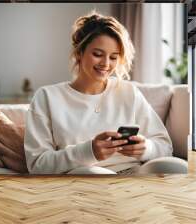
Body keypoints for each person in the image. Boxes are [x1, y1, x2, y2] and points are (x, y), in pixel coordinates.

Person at [24, 11, 173, 175]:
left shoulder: (129, 92)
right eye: (97, 54)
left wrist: (146, 148)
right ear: (79, 53)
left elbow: (165, 146)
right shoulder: (47, 97)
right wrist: (89, 152)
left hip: (133, 173)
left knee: (174, 166)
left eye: (114, 57)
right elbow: (37, 165)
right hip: (84, 177)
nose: (106, 64)